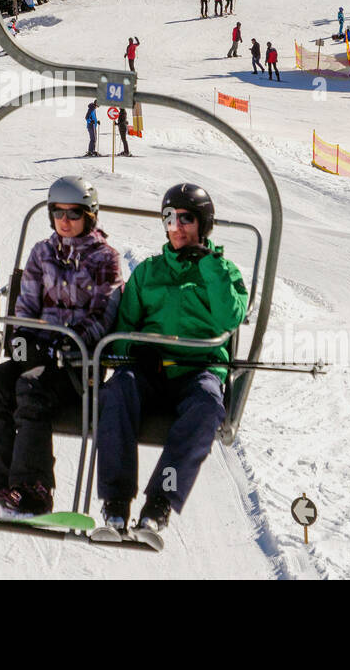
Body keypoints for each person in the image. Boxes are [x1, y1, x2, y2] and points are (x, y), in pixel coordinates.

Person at [0, 177, 124, 518]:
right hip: (38, 356)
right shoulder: (41, 252)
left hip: (78, 366)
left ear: (89, 217)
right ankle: (0, 488)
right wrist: (23, 336)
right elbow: (26, 306)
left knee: (31, 387)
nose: (65, 220)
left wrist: (67, 344)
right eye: (58, 212)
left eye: (74, 213)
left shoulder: (104, 259)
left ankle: (33, 491)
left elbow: (102, 316)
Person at [95, 183, 248, 544]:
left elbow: (229, 317)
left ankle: (159, 505)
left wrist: (208, 265)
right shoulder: (149, 272)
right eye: (169, 218)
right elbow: (124, 329)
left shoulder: (224, 272)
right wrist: (139, 349)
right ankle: (115, 503)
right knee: (117, 390)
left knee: (208, 405)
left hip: (199, 369)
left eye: (186, 219)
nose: (176, 226)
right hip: (150, 370)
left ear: (204, 224)